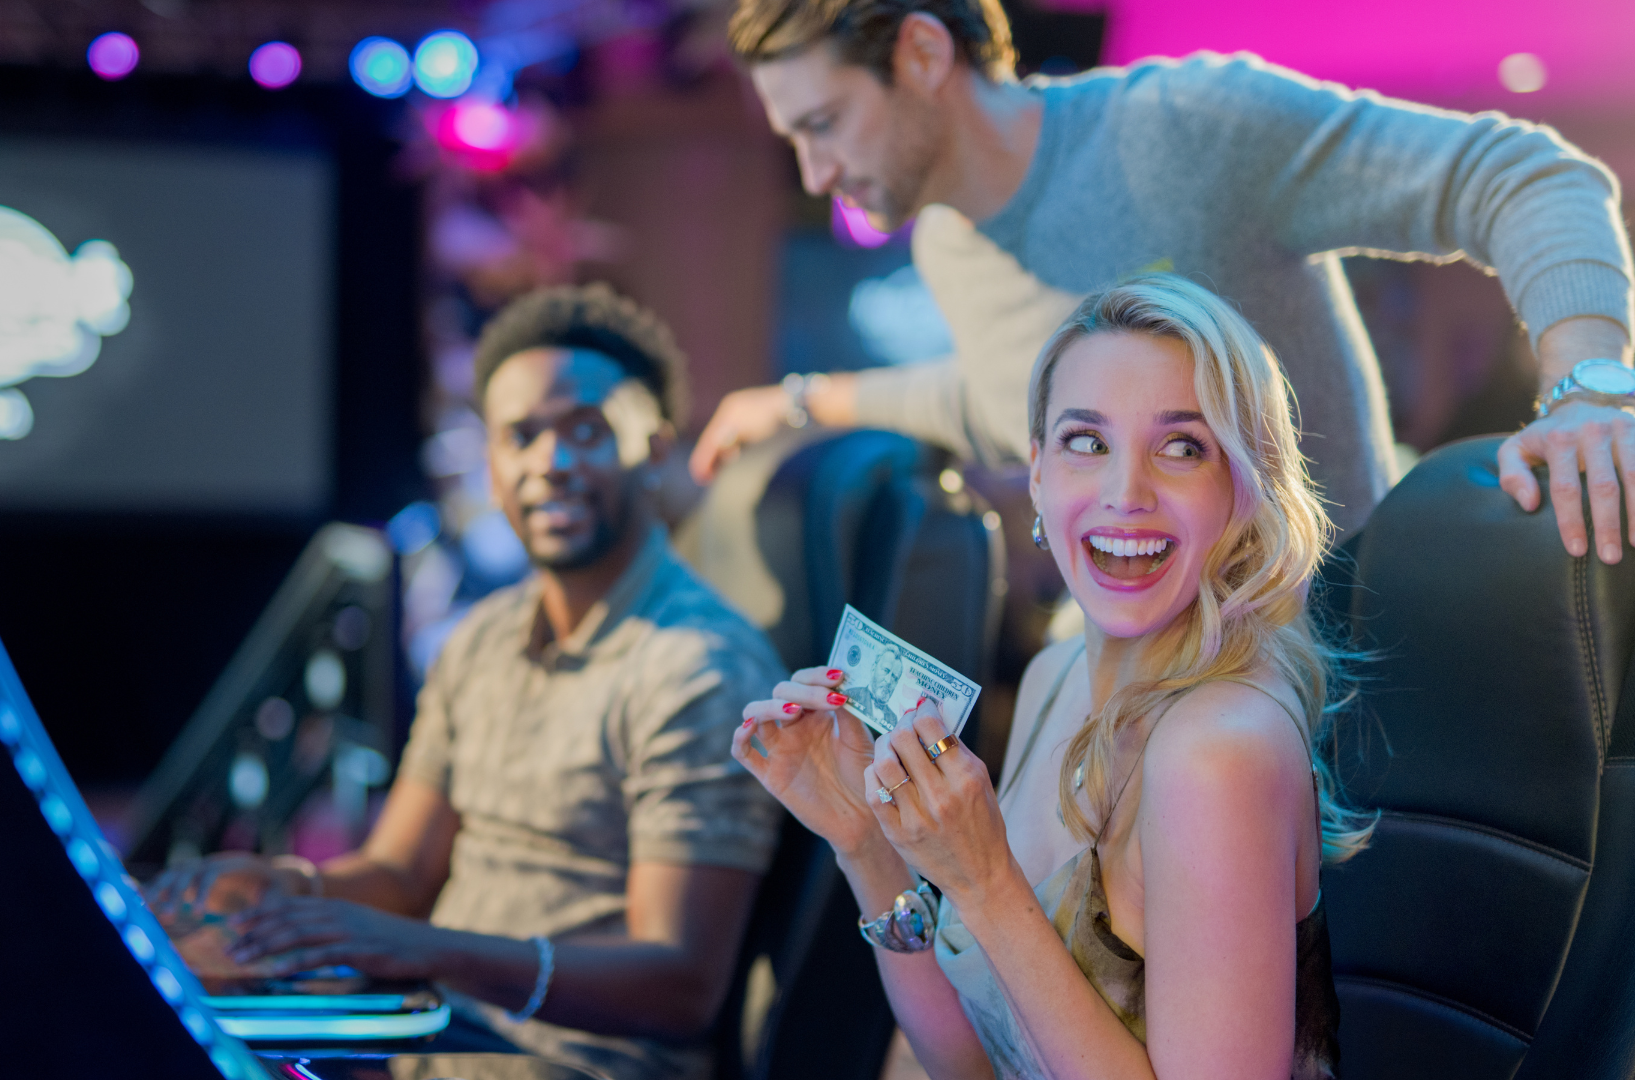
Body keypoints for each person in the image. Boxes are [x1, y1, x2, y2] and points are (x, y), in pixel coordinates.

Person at [694, 0, 1635, 558]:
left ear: (924, 54)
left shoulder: (1181, 126)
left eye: (822, 124)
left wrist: (1587, 388)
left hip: (1329, 656)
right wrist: (800, 402)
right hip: (1146, 670)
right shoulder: (947, 240)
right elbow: (997, 400)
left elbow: (1523, 176)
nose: (814, 175)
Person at [734, 274, 1374, 1077]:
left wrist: (988, 882)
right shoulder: (1052, 676)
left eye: (1182, 448)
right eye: (1086, 442)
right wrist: (866, 843)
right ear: (1037, 473)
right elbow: (971, 1059)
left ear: (1245, 487)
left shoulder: (1219, 752)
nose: (1124, 495)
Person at [149, 284, 786, 1080]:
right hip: (432, 1046)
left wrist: (424, 948)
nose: (550, 463)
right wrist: (285, 887)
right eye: (522, 436)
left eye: (587, 431)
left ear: (655, 449)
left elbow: (680, 985)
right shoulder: (482, 641)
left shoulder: (698, 666)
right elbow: (402, 872)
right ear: (491, 462)